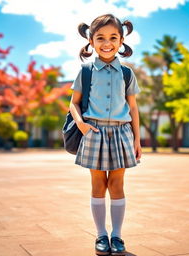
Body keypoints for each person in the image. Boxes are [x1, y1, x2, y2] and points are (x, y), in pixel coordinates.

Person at [69, 13, 142, 256]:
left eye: (113, 37)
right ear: (91, 41)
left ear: (121, 41)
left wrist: (137, 139)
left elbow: (133, 108)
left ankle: (117, 236)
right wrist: (81, 124)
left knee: (118, 184)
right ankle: (101, 235)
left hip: (122, 134)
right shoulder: (86, 70)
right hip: (94, 131)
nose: (107, 42)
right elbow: (73, 103)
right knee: (98, 184)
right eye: (100, 37)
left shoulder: (127, 73)